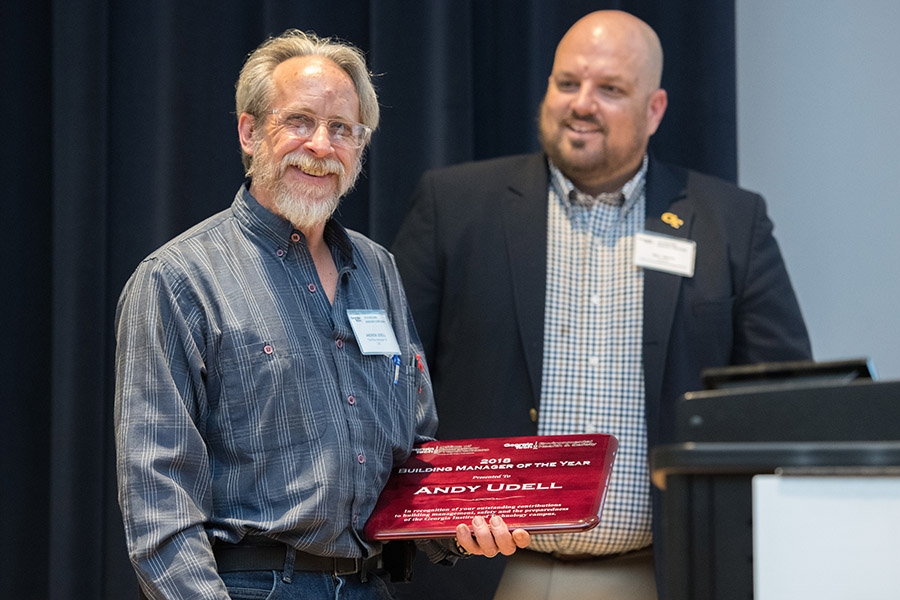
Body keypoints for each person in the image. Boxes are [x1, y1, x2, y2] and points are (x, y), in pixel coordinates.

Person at [391, 10, 811, 600]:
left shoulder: (730, 224)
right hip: (486, 574)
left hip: (661, 574)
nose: (581, 104)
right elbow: (388, 387)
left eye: (610, 89)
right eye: (568, 84)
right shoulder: (455, 206)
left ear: (655, 109)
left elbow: (778, 404)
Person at [114, 29, 529, 600]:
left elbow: (415, 452)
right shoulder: (176, 281)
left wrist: (461, 524)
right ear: (250, 131)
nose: (320, 145)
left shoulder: (378, 269)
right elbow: (159, 506)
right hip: (250, 585)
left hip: (370, 586)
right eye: (299, 121)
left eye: (342, 130)